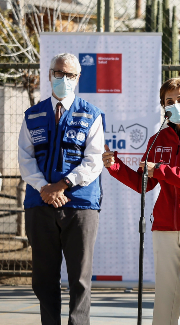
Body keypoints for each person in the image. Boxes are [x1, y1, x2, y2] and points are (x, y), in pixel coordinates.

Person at [103, 77, 180, 325]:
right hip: (164, 226)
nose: (175, 104)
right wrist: (115, 166)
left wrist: (159, 169)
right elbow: (142, 183)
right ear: (163, 107)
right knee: (165, 296)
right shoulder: (158, 139)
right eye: (169, 101)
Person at [18, 53, 105, 325]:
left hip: (80, 205)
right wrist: (45, 188)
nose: (63, 79)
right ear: (49, 75)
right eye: (59, 73)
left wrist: (62, 185)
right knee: (44, 279)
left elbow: (94, 160)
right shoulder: (33, 115)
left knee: (80, 278)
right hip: (40, 204)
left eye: (70, 75)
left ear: (78, 78)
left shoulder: (92, 114)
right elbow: (25, 158)